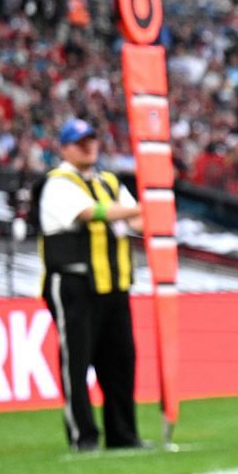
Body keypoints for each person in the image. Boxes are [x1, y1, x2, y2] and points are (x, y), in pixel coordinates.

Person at [34, 118, 144, 452]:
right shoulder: (58, 183)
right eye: (80, 142)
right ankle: (83, 435)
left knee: (121, 359)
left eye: (92, 140)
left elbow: (136, 221)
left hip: (114, 283)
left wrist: (135, 213)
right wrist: (136, 210)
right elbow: (90, 212)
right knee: (77, 360)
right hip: (74, 282)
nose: (88, 147)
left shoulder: (109, 181)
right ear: (65, 148)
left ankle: (123, 434)